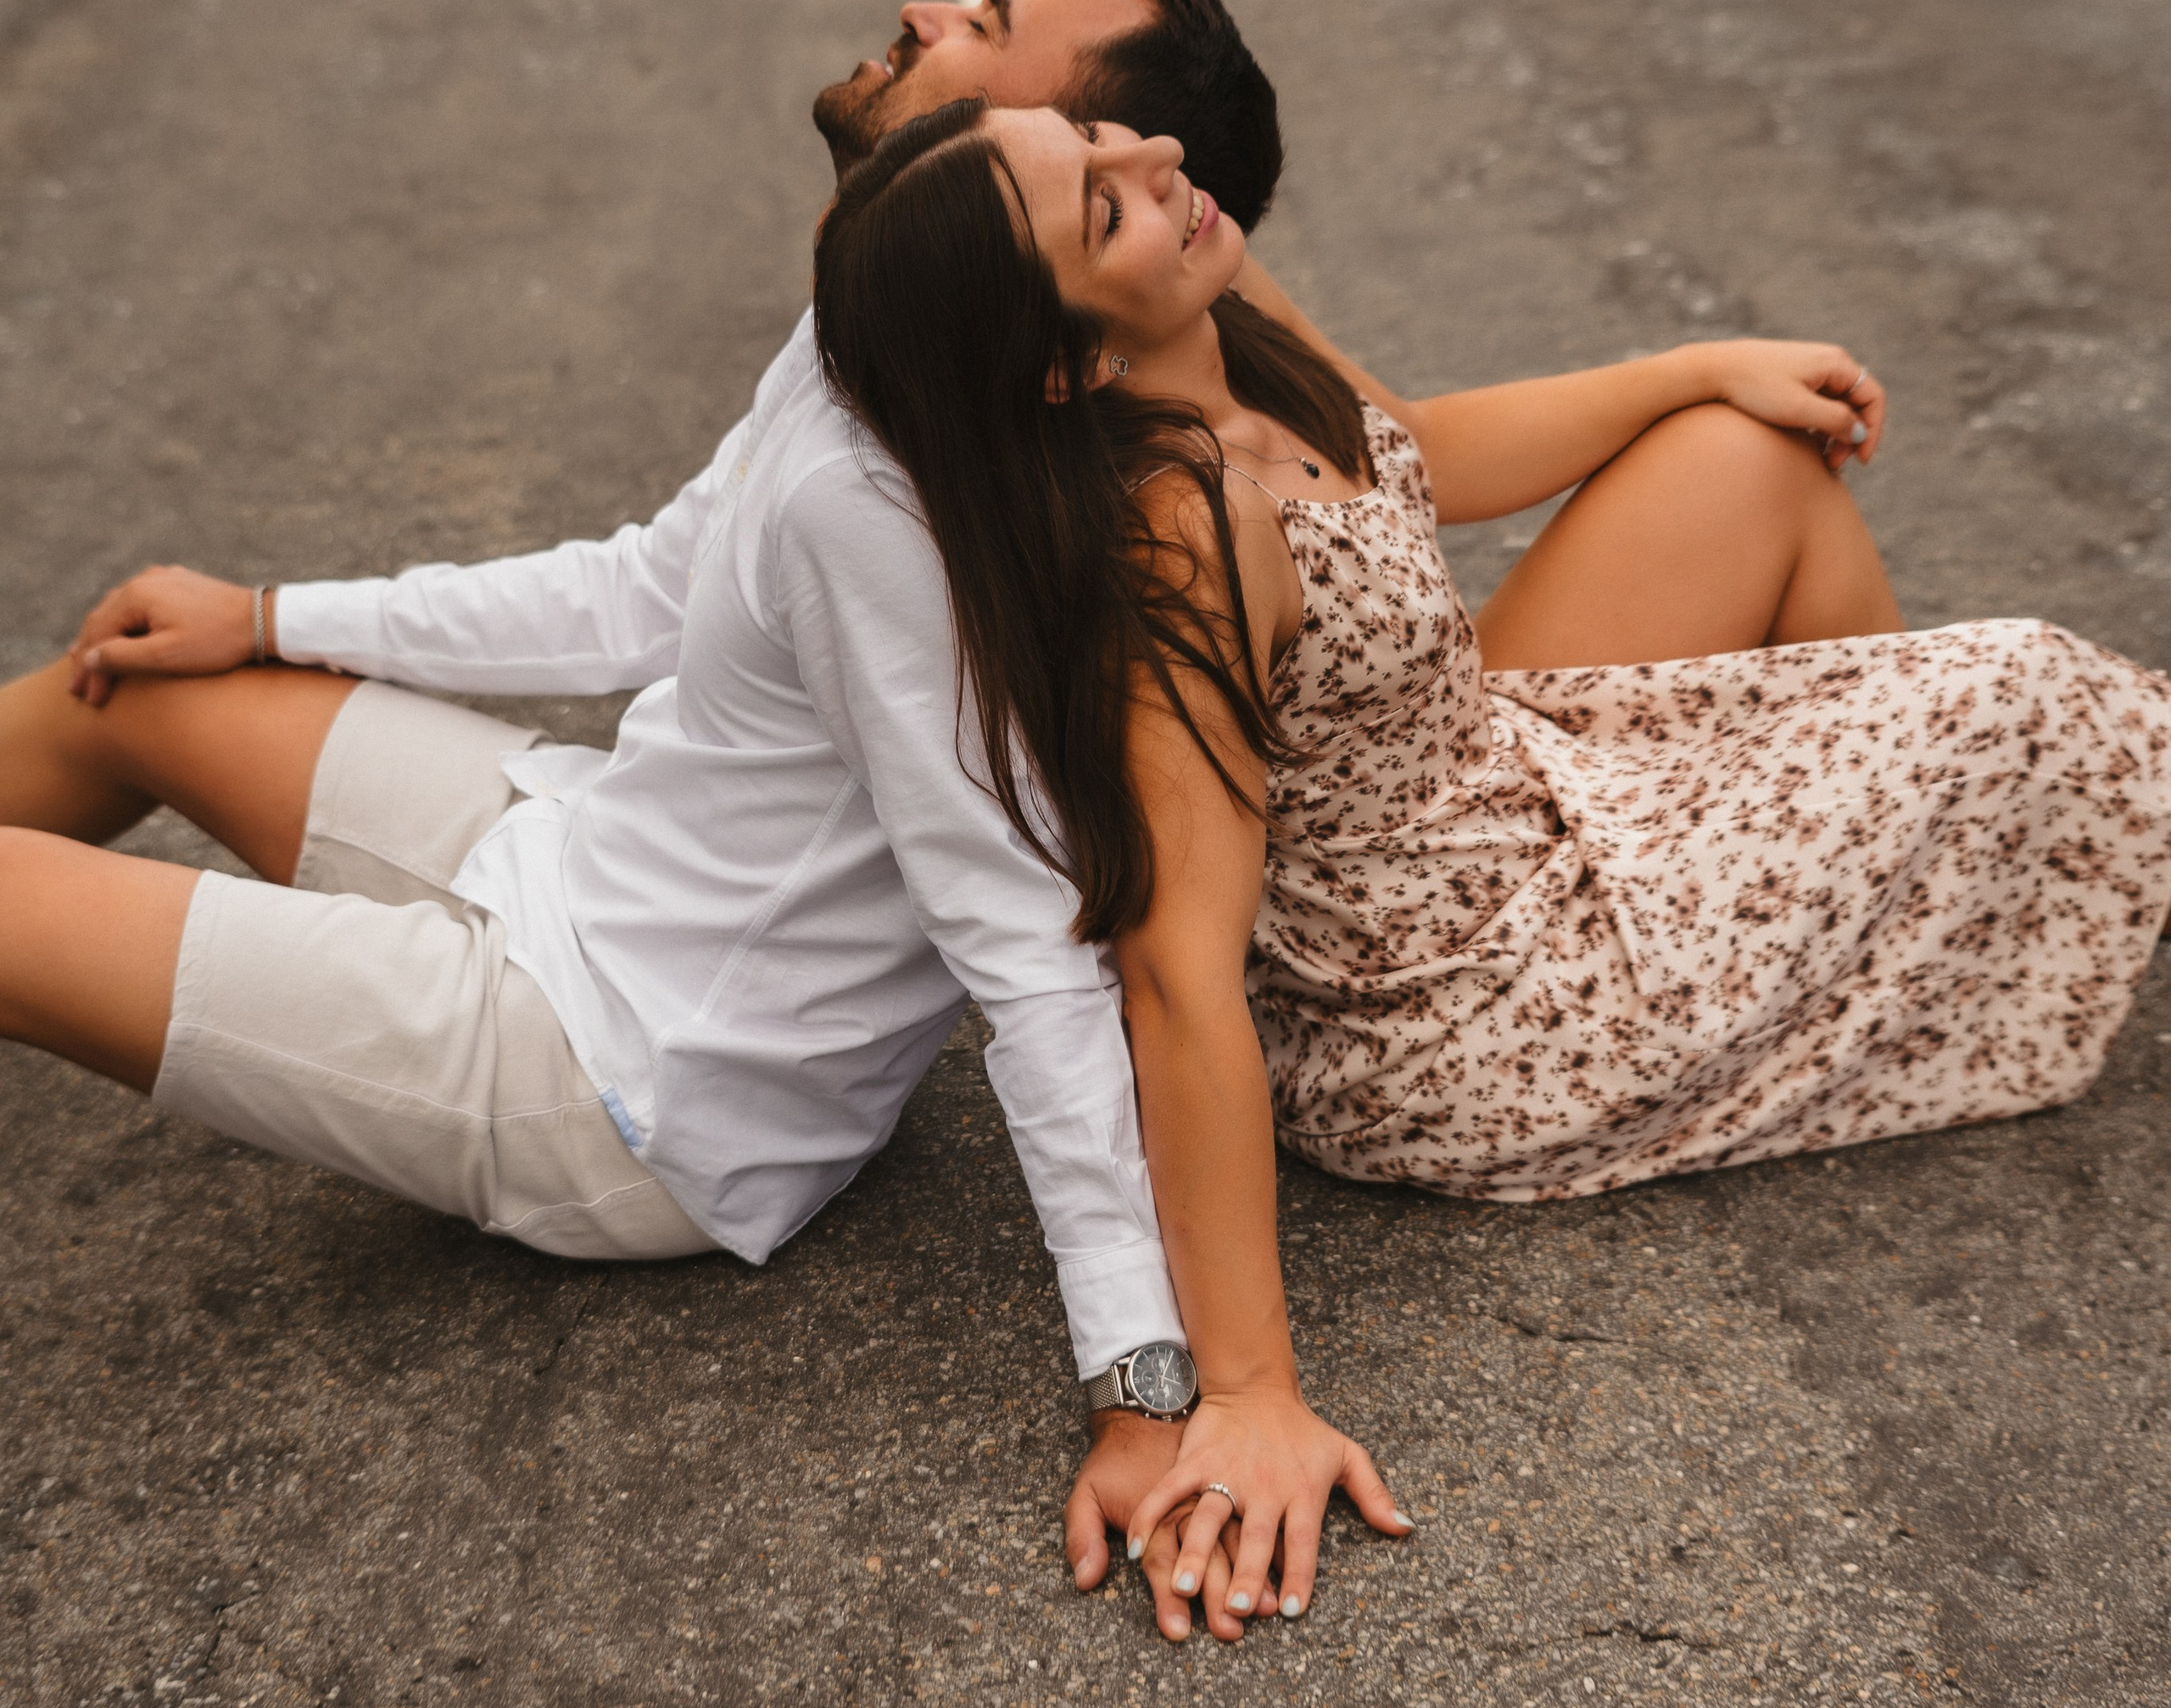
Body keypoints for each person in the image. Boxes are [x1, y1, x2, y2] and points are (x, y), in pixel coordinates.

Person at [0, 0, 1324, 1645]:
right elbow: (643, 583)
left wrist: (1146, 1388)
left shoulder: (925, 504)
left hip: (619, 1079)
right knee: (132, 683)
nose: (927, 17)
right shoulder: (878, 338)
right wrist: (268, 615)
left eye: (1005, 49)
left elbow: (1031, 955)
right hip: (572, 850)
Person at [812, 98, 2171, 1629]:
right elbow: (1178, 974)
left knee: (1752, 453)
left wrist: (1699, 365)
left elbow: (1418, 449)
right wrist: (1247, 1389)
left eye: (1099, 130)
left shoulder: (1218, 306)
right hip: (1472, 993)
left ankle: (1896, 899)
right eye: (1103, 207)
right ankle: (1901, 895)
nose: (1158, 164)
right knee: (2023, 690)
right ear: (1068, 362)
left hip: (1511, 775)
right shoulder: (1182, 525)